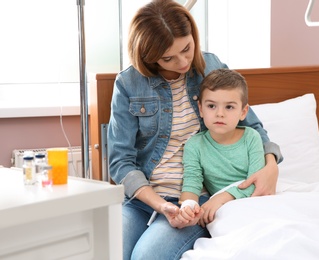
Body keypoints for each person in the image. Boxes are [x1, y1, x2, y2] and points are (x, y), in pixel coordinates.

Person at [107, 0, 282, 259]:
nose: (182, 62)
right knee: (110, 251)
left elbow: (251, 124)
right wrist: (159, 204)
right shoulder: (128, 83)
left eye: (187, 48)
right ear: (147, 55)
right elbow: (121, 161)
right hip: (142, 202)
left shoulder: (211, 66)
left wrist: (271, 165)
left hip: (194, 201)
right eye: (168, 57)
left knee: (146, 256)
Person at [177, 68, 265, 227]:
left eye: (229, 107)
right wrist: (187, 207)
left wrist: (220, 198)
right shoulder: (195, 145)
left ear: (243, 112)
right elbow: (192, 182)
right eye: (211, 106)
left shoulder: (251, 138)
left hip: (254, 202)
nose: (220, 114)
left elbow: (255, 183)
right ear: (201, 109)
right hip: (224, 210)